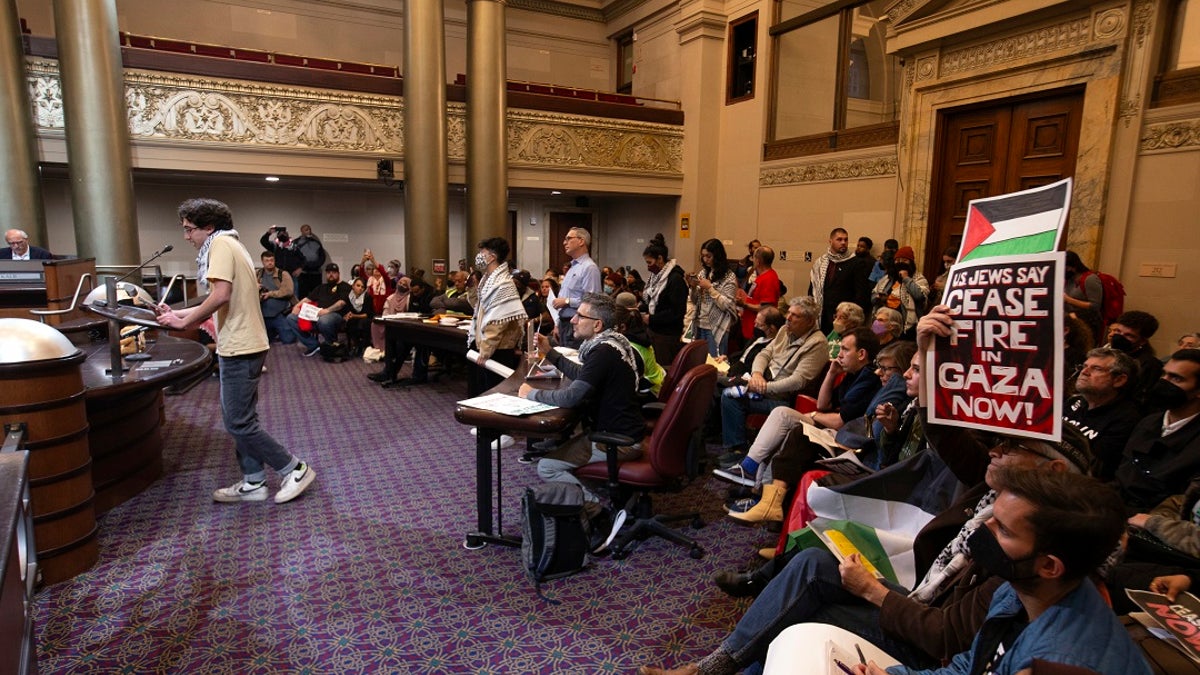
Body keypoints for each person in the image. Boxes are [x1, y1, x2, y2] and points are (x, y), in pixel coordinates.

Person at [855, 470, 1146, 675]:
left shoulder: (1062, 661)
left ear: (1049, 566)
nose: (984, 529)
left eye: (1003, 529)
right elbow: (971, 666)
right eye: (993, 517)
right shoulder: (1019, 589)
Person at [155, 198, 315, 504]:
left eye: (190, 230)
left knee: (238, 422)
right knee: (242, 418)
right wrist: (181, 315)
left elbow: (221, 294)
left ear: (209, 227)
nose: (186, 236)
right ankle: (254, 481)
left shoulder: (220, 247)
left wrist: (184, 321)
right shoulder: (229, 244)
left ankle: (294, 468)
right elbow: (221, 297)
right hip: (242, 342)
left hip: (241, 345)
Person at [518, 293, 646, 513]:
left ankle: (595, 510)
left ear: (597, 325)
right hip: (626, 430)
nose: (573, 320)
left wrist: (531, 393)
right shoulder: (612, 343)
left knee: (547, 467)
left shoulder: (603, 352)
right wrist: (550, 353)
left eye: (579, 316)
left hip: (618, 441)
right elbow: (582, 373)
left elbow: (571, 397)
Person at [719, 296, 828, 455]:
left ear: (810, 321)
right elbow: (764, 354)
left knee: (728, 395)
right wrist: (757, 375)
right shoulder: (785, 330)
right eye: (789, 313)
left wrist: (763, 388)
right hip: (762, 383)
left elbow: (798, 381)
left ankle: (737, 450)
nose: (788, 318)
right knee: (718, 384)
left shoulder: (818, 344)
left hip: (782, 399)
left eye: (795, 316)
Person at [1114, 348, 1200, 511]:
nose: (1164, 382)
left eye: (1176, 378)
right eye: (1164, 374)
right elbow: (1123, 476)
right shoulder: (1148, 422)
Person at [1064, 347, 1141, 480]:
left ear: (1119, 380)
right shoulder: (1073, 402)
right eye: (1084, 366)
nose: (1084, 372)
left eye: (1097, 369)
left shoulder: (1127, 419)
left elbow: (1096, 468)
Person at [467, 237, 526, 396]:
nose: (479, 256)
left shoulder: (503, 284)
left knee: (493, 392)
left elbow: (497, 322)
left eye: (482, 252)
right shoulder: (488, 280)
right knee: (482, 389)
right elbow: (480, 309)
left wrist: (485, 350)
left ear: (492, 256)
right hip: (488, 345)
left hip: (498, 348)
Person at [367, 277, 436, 387]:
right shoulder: (412, 294)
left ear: (423, 289)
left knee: (419, 344)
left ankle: (418, 376)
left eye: (417, 292)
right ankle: (389, 372)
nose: (415, 294)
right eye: (413, 292)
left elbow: (432, 313)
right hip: (415, 327)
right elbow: (412, 311)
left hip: (428, 330)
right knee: (395, 341)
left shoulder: (432, 295)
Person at [684, 238, 740, 357]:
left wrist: (710, 288)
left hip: (717, 326)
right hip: (699, 323)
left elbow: (727, 305)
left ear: (717, 256)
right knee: (699, 362)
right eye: (703, 256)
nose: (705, 260)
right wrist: (693, 287)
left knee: (714, 364)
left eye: (709, 256)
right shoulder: (703, 273)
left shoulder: (729, 277)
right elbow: (695, 301)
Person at [810, 228, 872, 334]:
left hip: (844, 318)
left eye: (846, 240)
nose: (843, 243)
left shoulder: (856, 263)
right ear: (830, 241)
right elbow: (813, 289)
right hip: (822, 316)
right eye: (839, 239)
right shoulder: (820, 263)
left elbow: (861, 294)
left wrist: (850, 317)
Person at [641, 233, 689, 367]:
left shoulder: (675, 279)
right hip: (655, 331)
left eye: (650, 262)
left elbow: (676, 312)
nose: (648, 267)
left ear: (660, 259)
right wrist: (639, 309)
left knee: (663, 369)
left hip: (667, 335)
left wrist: (651, 319)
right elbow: (652, 302)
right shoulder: (656, 277)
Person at [287, 262, 351, 356]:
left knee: (324, 319)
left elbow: (341, 303)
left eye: (333, 272)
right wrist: (297, 306)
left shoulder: (345, 286)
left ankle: (331, 344)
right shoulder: (321, 287)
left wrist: (327, 310)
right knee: (291, 318)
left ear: (338, 274)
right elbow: (308, 299)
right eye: (328, 272)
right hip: (316, 314)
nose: (331, 275)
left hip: (335, 316)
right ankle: (313, 344)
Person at [553, 227, 603, 348]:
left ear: (581, 241)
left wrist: (567, 301)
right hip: (564, 323)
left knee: (573, 361)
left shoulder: (589, 267)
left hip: (577, 324)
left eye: (568, 238)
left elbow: (592, 301)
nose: (564, 242)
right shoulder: (573, 267)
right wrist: (557, 324)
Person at [1107, 310, 1164, 410]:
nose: (1119, 337)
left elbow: (1140, 401)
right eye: (1118, 331)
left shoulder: (1149, 365)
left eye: (1128, 335)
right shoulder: (1108, 354)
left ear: (1142, 341)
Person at [871, 246, 928, 337]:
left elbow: (919, 296)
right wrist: (879, 298)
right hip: (885, 326)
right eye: (897, 261)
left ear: (911, 263)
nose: (900, 263)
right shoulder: (888, 278)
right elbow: (873, 296)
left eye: (904, 260)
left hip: (907, 328)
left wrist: (906, 278)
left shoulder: (919, 279)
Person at [737, 246, 782, 342]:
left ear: (758, 261)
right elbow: (756, 299)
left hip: (757, 331)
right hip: (750, 328)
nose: (752, 260)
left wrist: (744, 304)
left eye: (753, 258)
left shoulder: (769, 279)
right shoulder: (762, 276)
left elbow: (766, 308)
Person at [1063, 250, 1104, 344]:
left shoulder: (1090, 279)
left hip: (1088, 322)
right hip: (1073, 319)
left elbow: (1095, 305)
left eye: (1066, 267)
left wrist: (1069, 300)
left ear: (1073, 267)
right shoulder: (1070, 279)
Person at [256, 251, 295, 344]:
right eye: (267, 260)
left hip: (279, 314)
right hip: (263, 315)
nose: (270, 262)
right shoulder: (258, 274)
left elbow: (288, 291)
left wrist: (270, 294)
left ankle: (278, 331)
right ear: (262, 261)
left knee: (289, 340)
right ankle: (273, 333)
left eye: (272, 260)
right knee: (262, 342)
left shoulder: (283, 274)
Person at [292, 224, 327, 301]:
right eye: (306, 229)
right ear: (301, 231)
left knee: (316, 296)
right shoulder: (296, 243)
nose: (309, 231)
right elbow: (293, 257)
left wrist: (315, 265)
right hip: (303, 274)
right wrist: (302, 266)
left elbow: (322, 257)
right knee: (302, 296)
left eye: (310, 229)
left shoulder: (316, 242)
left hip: (316, 273)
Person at [343, 277, 374, 356]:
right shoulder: (348, 297)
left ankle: (364, 346)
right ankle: (356, 345)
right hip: (353, 318)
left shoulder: (367, 297)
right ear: (353, 286)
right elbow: (346, 310)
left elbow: (367, 314)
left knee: (363, 323)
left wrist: (353, 315)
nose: (360, 288)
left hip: (366, 318)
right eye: (358, 285)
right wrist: (347, 316)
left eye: (362, 287)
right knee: (350, 322)